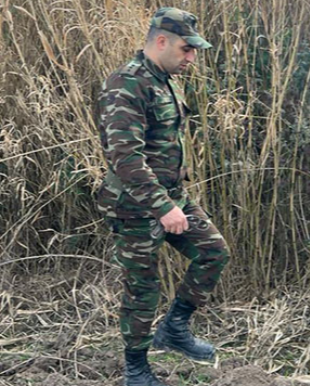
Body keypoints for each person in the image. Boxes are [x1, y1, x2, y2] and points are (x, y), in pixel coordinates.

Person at [95, 7, 229, 386]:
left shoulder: (166, 79)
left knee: (213, 250)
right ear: (161, 41)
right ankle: (136, 370)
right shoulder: (127, 83)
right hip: (135, 206)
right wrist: (163, 207)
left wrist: (174, 198)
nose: (192, 58)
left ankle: (174, 329)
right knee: (143, 287)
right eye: (187, 49)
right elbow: (125, 157)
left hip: (171, 196)